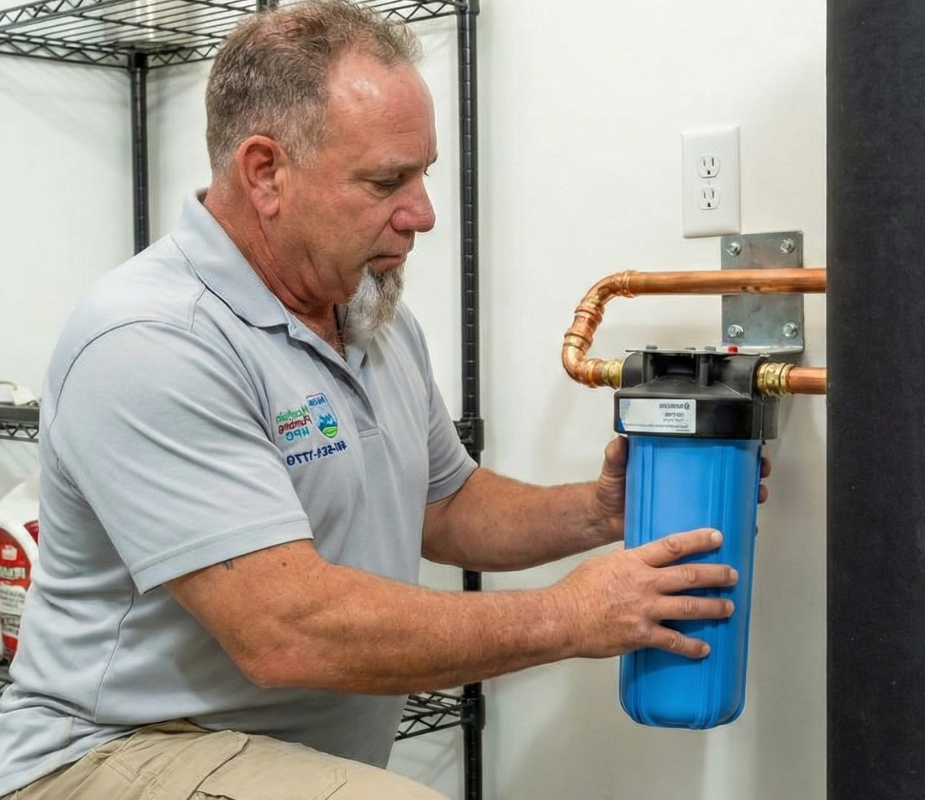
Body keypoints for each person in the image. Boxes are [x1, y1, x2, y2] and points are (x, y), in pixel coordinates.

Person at [0, 2, 765, 798]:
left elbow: (444, 504)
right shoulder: (149, 340)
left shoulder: (368, 313)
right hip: (110, 752)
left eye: (425, 172)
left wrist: (601, 509)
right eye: (386, 180)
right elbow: (285, 628)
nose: (424, 213)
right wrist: (570, 616)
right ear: (266, 173)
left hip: (273, 758)